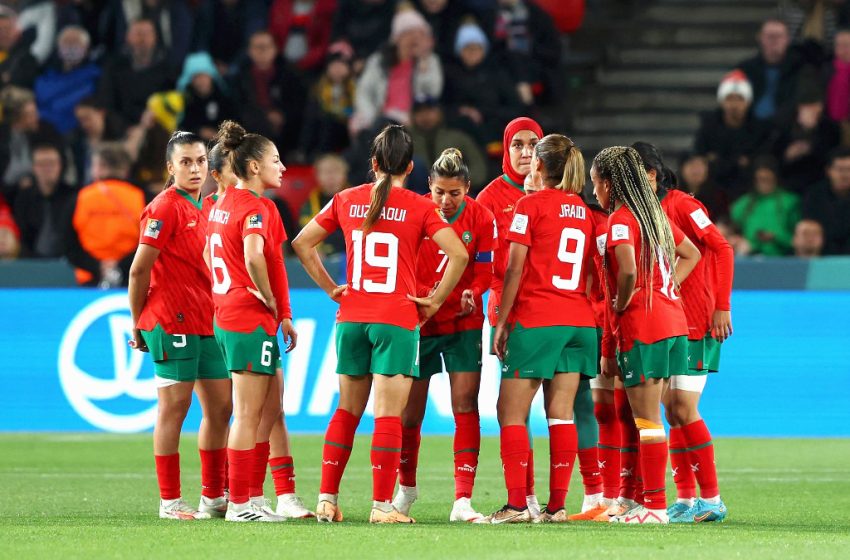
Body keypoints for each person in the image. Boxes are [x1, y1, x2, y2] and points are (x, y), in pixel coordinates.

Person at [292, 124, 468, 524]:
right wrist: (435, 300)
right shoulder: (421, 207)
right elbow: (457, 254)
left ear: (372, 164)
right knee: (387, 416)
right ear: (410, 167)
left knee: (347, 411)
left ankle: (325, 499)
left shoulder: (345, 199)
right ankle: (382, 507)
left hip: (352, 317)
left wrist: (332, 288)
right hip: (396, 318)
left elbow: (301, 243)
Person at [488, 134, 596, 524]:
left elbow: (515, 267)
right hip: (579, 321)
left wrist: (502, 322)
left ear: (539, 167)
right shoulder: (583, 211)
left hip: (537, 319)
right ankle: (558, 506)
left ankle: (517, 505)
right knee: (561, 413)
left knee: (511, 413)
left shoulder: (527, 205)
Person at [591, 146, 701, 524]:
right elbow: (691, 256)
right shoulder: (652, 215)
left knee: (647, 420)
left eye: (596, 184)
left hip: (645, 326)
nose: (594, 193)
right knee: (647, 417)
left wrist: (624, 302)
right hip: (673, 323)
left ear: (608, 182)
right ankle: (641, 502)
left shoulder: (620, 220)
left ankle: (654, 507)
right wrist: (663, 291)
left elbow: (625, 270)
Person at [127, 131, 232, 521]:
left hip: (208, 321)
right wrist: (136, 322)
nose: (195, 168)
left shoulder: (205, 207)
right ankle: (170, 501)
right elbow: (139, 269)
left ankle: (213, 497)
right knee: (174, 408)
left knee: (222, 407)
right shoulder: (164, 208)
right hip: (171, 320)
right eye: (185, 162)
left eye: (201, 161)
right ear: (169, 168)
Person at [391, 148, 496, 523]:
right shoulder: (415, 212)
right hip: (420, 323)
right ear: (429, 188)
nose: (446, 201)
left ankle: (463, 500)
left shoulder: (482, 217)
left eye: (454, 193)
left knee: (466, 406)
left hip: (463, 324)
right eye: (439, 192)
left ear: (467, 187)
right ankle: (406, 489)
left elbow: (485, 268)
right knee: (409, 414)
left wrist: (475, 291)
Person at [632, 141, 733, 523]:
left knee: (682, 408)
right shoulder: (642, 212)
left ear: (652, 175)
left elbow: (721, 249)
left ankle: (712, 498)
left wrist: (721, 304)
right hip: (668, 322)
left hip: (696, 319)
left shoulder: (683, 205)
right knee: (670, 410)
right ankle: (687, 500)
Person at [206, 120, 298, 522]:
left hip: (230, 316)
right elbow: (254, 255)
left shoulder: (223, 203)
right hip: (246, 318)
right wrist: (266, 295)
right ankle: (240, 503)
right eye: (276, 160)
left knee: (269, 405)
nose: (283, 167)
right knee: (247, 413)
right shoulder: (253, 208)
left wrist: (283, 313)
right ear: (255, 167)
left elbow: (214, 258)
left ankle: (252, 496)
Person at [475, 116, 542, 517]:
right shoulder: (488, 199)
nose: (524, 153)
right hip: (508, 309)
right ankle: (531, 495)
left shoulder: (556, 193)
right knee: (519, 406)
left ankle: (593, 496)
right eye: (516, 144)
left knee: (566, 405)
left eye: (532, 144)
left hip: (551, 306)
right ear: (505, 149)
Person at [349, 7, 443, 136]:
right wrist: (368, 117)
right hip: (379, 118)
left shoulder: (430, 61)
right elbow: (364, 92)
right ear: (397, 38)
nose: (414, 39)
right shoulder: (379, 61)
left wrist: (423, 66)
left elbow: (432, 92)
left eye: (419, 34)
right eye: (409, 33)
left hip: (411, 121)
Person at [67, 142, 146, 286]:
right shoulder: (144, 197)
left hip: (88, 280)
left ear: (101, 167)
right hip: (134, 279)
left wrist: (98, 266)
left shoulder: (80, 198)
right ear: (125, 169)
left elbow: (68, 244)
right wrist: (120, 266)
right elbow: (155, 240)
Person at [694, 70, 774, 198]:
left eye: (740, 99)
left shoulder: (760, 129)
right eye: (729, 98)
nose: (734, 105)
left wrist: (718, 160)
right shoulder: (709, 126)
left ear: (748, 102)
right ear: (722, 101)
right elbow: (700, 156)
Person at [96, 18, 176, 129]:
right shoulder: (113, 67)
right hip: (121, 130)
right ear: (127, 37)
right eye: (138, 33)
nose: (142, 39)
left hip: (156, 129)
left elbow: (170, 104)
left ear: (155, 37)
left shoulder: (168, 70)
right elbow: (107, 103)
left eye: (147, 34)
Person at [408, 95, 488, 190]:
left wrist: (456, 180)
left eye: (430, 110)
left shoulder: (457, 138)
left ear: (439, 112)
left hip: (457, 193)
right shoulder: (406, 141)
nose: (425, 116)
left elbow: (479, 170)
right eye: (419, 112)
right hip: (418, 193)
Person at [33, 25, 102, 135]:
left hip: (75, 133)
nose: (71, 47)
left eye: (75, 43)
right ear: (58, 47)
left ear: (86, 48)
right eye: (66, 43)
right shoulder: (44, 77)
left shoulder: (95, 77)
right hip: (42, 129)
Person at [12, 144, 75, 259]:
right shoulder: (24, 198)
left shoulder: (73, 196)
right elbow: (21, 234)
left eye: (51, 163)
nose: (47, 169)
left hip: (67, 260)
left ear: (60, 166)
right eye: (41, 164)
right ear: (34, 168)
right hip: (30, 262)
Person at [735, 18, 803, 123]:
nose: (774, 41)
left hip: (786, 127)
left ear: (787, 39)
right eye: (770, 36)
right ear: (760, 37)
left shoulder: (800, 68)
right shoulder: (744, 69)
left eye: (779, 36)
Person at [730, 156, 801, 256]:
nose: (764, 184)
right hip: (748, 259)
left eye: (768, 179)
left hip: (784, 259)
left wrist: (776, 238)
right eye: (760, 179)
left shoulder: (790, 202)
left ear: (775, 178)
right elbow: (733, 235)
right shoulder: (741, 205)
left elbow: (799, 240)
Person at [177, 52, 237, 141]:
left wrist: (220, 135)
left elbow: (235, 123)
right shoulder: (185, 101)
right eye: (196, 77)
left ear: (211, 76)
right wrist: (199, 131)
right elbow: (181, 126)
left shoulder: (224, 98)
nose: (201, 80)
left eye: (204, 75)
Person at [299, 153, 349, 255]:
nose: (331, 176)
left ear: (345, 174)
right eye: (325, 172)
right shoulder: (309, 205)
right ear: (317, 175)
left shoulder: (357, 201)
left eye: (336, 171)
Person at [802, 147, 850, 254]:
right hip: (821, 253)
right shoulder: (814, 196)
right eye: (840, 169)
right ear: (829, 171)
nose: (844, 175)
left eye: (848, 169)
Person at [678, 153, 729, 220]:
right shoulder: (672, 196)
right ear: (682, 169)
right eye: (691, 164)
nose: (696, 170)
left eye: (700, 165)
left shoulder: (718, 197)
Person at [0, 6, 39, 89]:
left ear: (16, 30)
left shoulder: (26, 58)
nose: (3, 34)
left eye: (7, 29)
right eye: (0, 30)